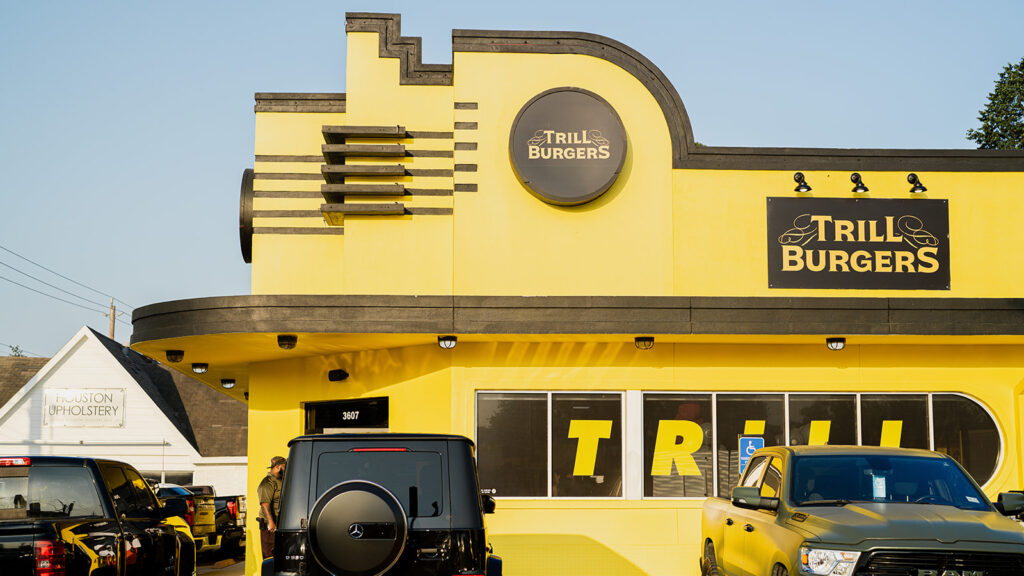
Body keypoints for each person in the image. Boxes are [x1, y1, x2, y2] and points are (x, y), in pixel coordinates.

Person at [258, 455, 286, 559]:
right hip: (269, 526)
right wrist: (271, 523)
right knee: (269, 555)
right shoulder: (267, 483)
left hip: (279, 522)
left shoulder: (281, 480)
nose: (286, 468)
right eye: (285, 466)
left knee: (280, 554)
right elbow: (264, 504)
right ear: (278, 467)